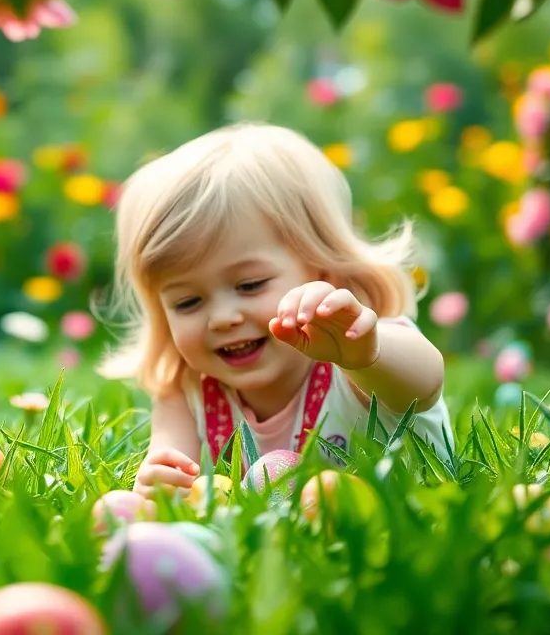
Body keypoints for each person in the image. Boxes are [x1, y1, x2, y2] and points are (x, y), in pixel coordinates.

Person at [96, 122, 454, 498]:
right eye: (187, 302)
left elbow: (425, 384)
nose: (222, 317)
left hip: (391, 527)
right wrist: (161, 486)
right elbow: (171, 470)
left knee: (278, 476)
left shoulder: (359, 355)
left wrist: (368, 355)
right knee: (119, 505)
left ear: (322, 271)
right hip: (261, 552)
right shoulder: (187, 394)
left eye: (249, 285)